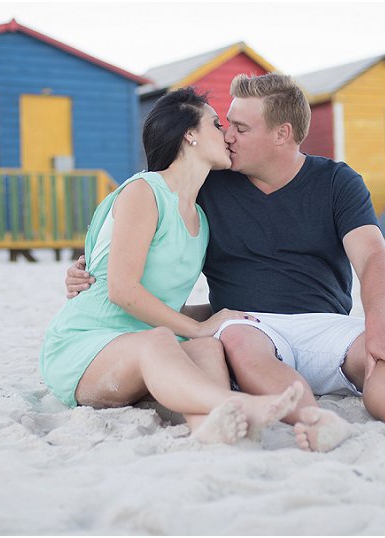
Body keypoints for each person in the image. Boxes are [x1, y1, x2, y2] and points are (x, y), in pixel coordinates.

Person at [66, 74, 385, 452]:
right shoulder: (209, 183)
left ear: (282, 134)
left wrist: (379, 322)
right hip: (248, 323)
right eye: (224, 124)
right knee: (243, 344)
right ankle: (313, 418)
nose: (227, 136)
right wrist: (89, 273)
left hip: (325, 321)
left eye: (241, 128)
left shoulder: (336, 182)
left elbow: (373, 255)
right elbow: (142, 234)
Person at [41, 87, 304, 445]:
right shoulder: (144, 191)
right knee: (167, 339)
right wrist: (198, 328)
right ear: (189, 134)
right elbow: (122, 290)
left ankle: (209, 426)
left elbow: (164, 306)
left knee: (208, 347)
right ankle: (239, 404)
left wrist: (218, 313)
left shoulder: (201, 219)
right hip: (86, 346)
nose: (226, 134)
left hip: (144, 343)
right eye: (216, 124)